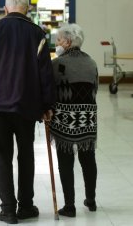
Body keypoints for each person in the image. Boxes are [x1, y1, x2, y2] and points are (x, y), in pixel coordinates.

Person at [0, 0, 55, 224]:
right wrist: (47, 105)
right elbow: (45, 74)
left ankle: (8, 209)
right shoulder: (37, 33)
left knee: (2, 154)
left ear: (6, 9)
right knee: (26, 154)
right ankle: (26, 206)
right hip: (27, 104)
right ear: (27, 9)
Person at [49, 24, 98, 217]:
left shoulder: (58, 64)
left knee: (65, 161)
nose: (57, 43)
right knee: (88, 158)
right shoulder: (91, 62)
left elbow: (50, 90)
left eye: (59, 40)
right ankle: (91, 199)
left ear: (67, 42)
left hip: (65, 118)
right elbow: (96, 89)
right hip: (88, 116)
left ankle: (69, 205)